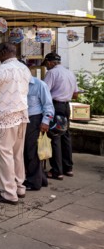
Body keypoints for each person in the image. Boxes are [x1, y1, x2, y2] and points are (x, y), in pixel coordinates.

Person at [0, 42, 31, 205]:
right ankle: (19, 187)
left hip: (4, 118)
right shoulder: (24, 68)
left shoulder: (2, 69)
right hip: (21, 115)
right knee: (17, 153)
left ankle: (9, 193)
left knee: (4, 155)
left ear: (2, 53)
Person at [42, 52, 79, 180]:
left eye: (46, 64)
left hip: (55, 106)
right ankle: (68, 168)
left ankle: (57, 171)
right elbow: (75, 94)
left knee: (55, 137)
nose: (46, 67)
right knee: (65, 136)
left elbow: (44, 91)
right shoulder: (70, 73)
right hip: (66, 107)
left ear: (50, 62)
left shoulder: (52, 73)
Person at [24, 75, 54, 190]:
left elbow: (48, 105)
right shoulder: (18, 84)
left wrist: (46, 121)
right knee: (28, 151)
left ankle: (34, 183)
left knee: (31, 151)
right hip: (23, 120)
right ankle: (41, 179)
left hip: (34, 120)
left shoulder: (39, 84)